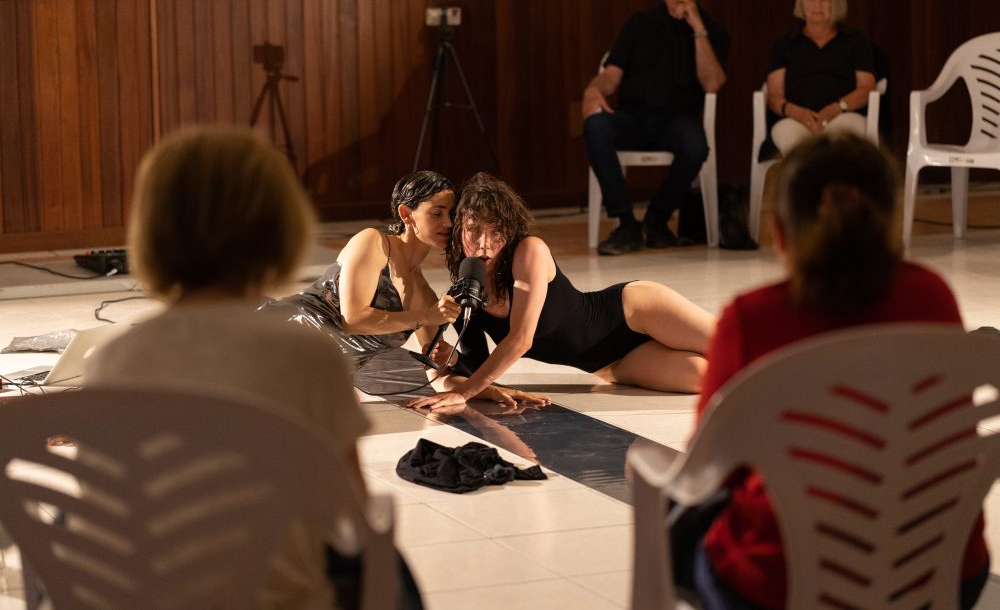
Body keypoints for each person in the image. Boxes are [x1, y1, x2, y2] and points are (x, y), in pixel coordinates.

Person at [85, 126, 420, 609]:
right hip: (275, 598)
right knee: (389, 566)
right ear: (279, 228)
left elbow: (104, 510)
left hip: (152, 595)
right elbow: (347, 511)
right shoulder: (308, 356)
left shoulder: (114, 360)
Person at [692, 134, 989, 610]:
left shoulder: (752, 319)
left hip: (786, 582)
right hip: (942, 569)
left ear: (780, 232)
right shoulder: (933, 297)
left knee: (685, 528)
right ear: (890, 219)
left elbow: (709, 470)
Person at [407, 172, 715, 411]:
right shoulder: (466, 293)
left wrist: (463, 392)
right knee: (709, 376)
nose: (484, 244)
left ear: (510, 231)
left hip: (636, 310)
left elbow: (521, 338)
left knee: (734, 346)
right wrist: (452, 361)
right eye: (474, 230)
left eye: (496, 231)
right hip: (612, 365)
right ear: (458, 230)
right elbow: (479, 369)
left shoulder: (529, 251)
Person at [261, 170, 548, 407]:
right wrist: (425, 317)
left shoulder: (424, 295)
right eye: (436, 213)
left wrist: (483, 388)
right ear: (406, 214)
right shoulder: (373, 242)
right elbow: (354, 319)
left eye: (451, 214)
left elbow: (436, 374)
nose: (448, 223)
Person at [583, 0, 729, 256]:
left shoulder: (713, 30)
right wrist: (593, 90)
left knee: (696, 146)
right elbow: (610, 76)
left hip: (678, 120)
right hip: (632, 117)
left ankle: (657, 217)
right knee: (596, 125)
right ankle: (626, 223)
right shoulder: (638, 23)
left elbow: (713, 83)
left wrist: (697, 27)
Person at [766, 0, 876, 155]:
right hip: (794, 119)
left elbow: (867, 88)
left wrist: (835, 109)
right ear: (801, 3)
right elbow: (774, 96)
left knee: (840, 145)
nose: (817, 6)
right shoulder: (784, 44)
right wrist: (800, 114)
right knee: (797, 148)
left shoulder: (856, 41)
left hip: (845, 115)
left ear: (836, 2)